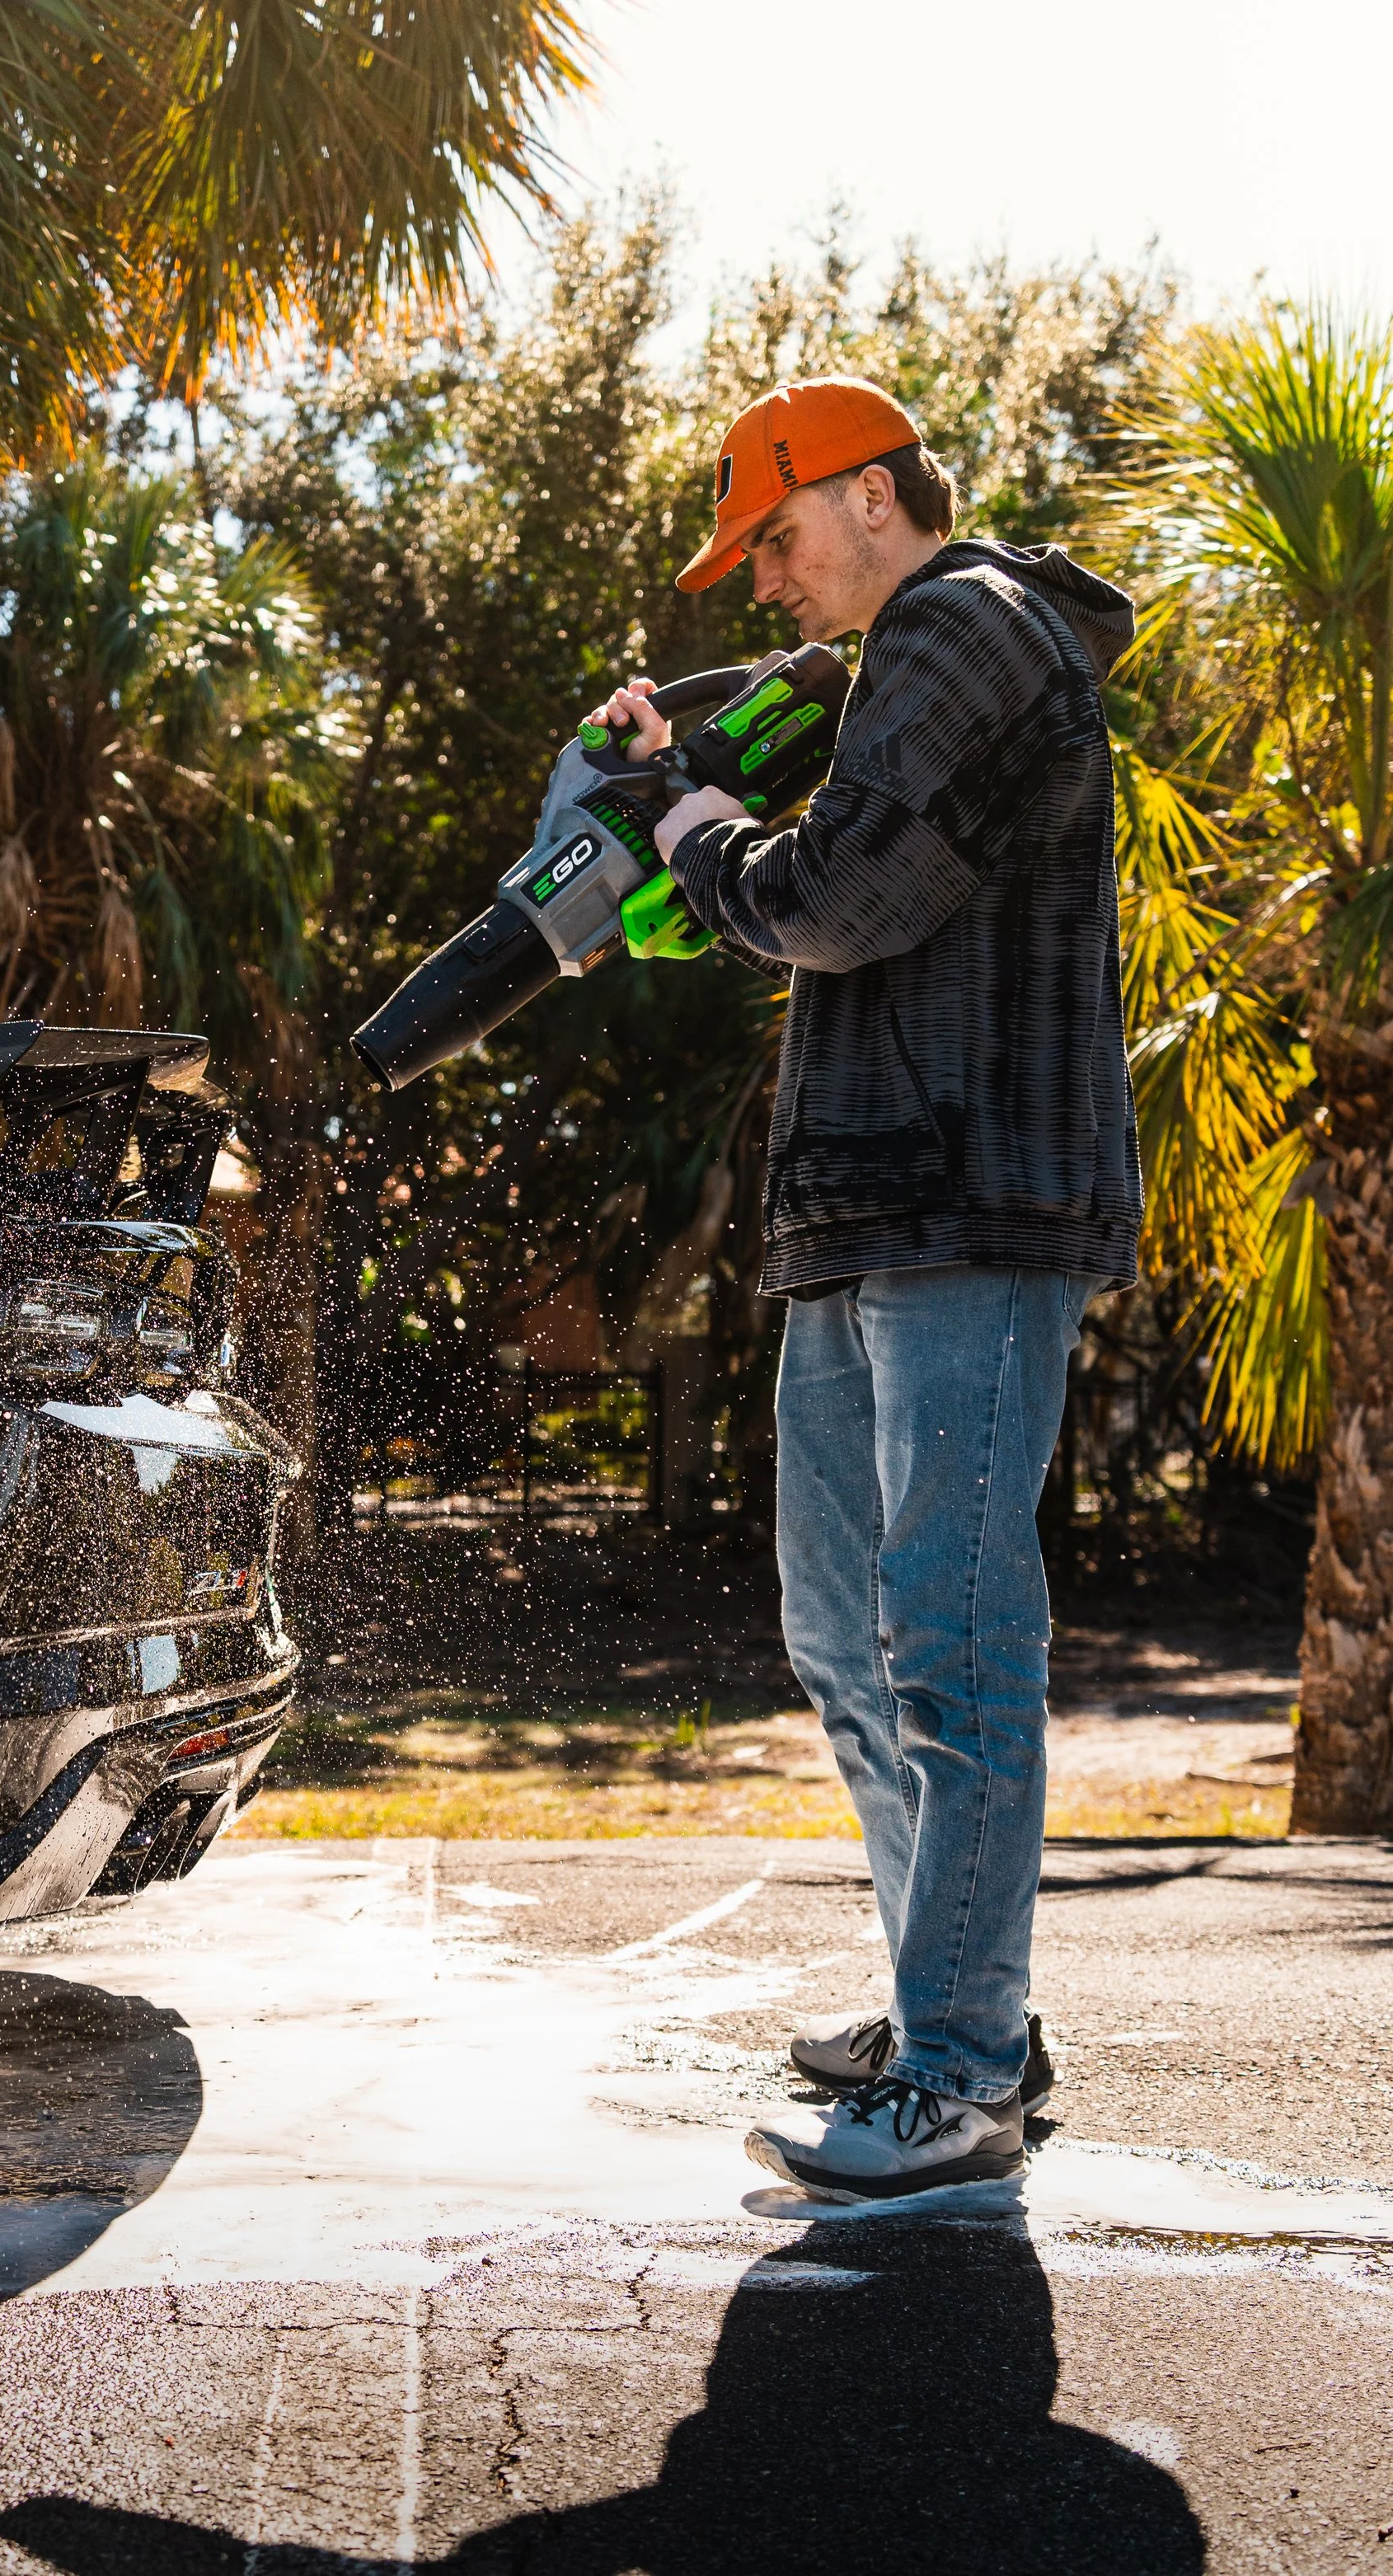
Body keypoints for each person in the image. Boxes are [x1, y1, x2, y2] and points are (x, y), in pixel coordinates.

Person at [591, 377, 1138, 2200]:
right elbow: (832, 872)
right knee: (843, 1638)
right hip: (860, 1214)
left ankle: (964, 2075)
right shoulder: (896, 656)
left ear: (859, 491)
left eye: (768, 533)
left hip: (968, 1200)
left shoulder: (961, 624)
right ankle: (953, 2008)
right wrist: (700, 770)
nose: (759, 578)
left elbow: (833, 897)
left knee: (948, 1640)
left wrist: (682, 825)